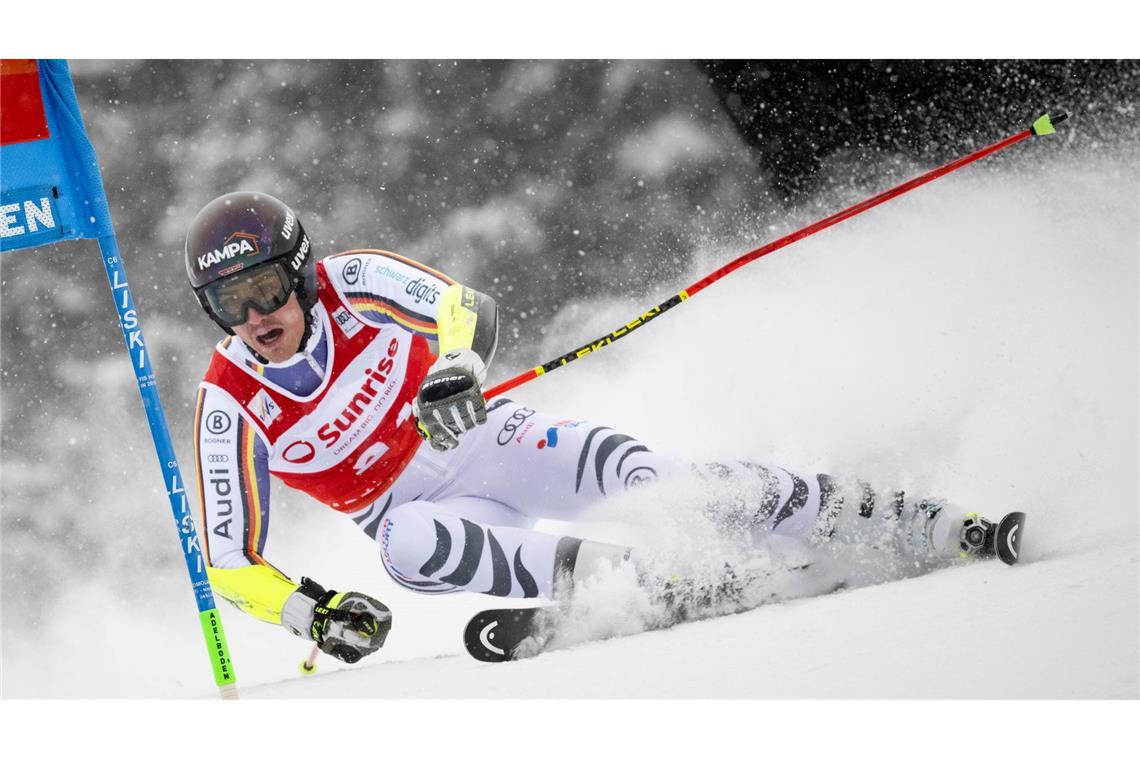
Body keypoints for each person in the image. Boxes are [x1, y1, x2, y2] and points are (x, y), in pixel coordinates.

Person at [187, 191, 1000, 664]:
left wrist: (459, 370)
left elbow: (463, 308)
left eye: (266, 288)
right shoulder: (229, 401)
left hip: (483, 443)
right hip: (418, 515)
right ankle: (631, 580)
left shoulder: (350, 281)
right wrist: (314, 617)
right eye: (231, 304)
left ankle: (893, 517)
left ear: (297, 271)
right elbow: (227, 562)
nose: (257, 317)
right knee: (407, 546)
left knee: (664, 486)